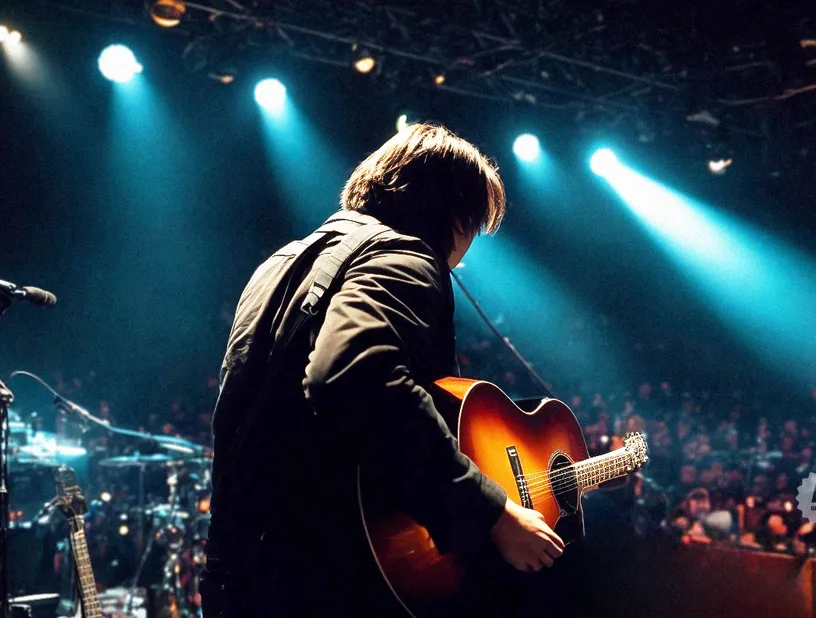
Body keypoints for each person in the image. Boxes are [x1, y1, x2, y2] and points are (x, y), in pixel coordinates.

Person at [200, 124, 565, 616]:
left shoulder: (281, 263)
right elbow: (350, 374)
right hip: (322, 581)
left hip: (241, 570)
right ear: (455, 215)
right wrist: (490, 513)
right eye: (474, 228)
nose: (467, 251)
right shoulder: (402, 255)